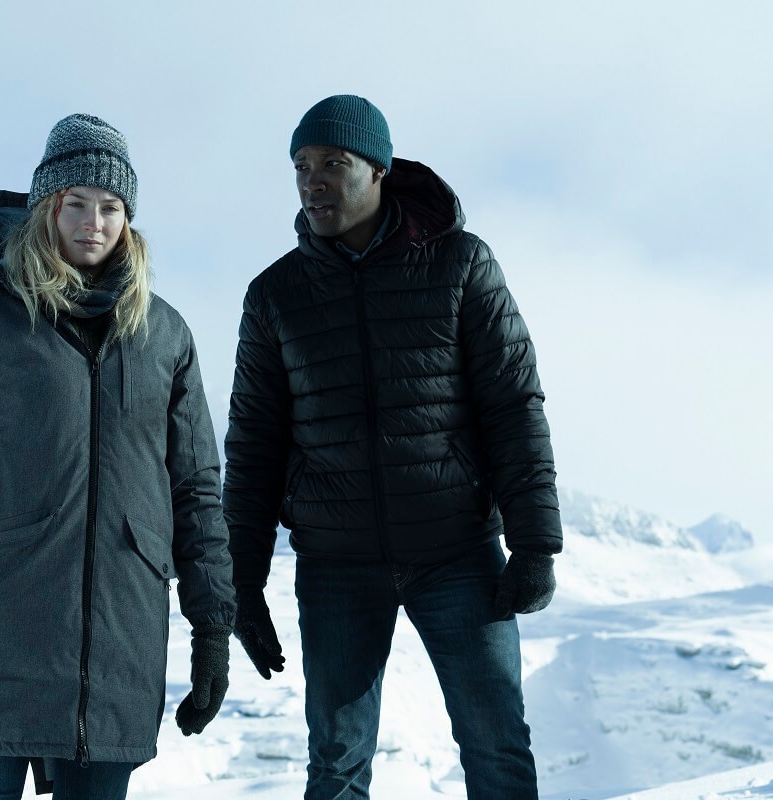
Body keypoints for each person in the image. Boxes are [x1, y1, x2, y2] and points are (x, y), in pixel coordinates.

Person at [0, 113, 236, 800]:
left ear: (128, 219)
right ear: (47, 206)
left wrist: (212, 628)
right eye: (77, 203)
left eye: (110, 207)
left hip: (119, 657)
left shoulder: (165, 334)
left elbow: (195, 491)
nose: (93, 223)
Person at [223, 95, 562, 800]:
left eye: (332, 164)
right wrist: (243, 583)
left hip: (457, 552)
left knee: (497, 745)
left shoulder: (461, 264)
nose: (312, 181)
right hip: (337, 564)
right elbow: (253, 446)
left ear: (377, 169)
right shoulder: (275, 296)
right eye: (301, 166)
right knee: (336, 763)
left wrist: (535, 544)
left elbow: (512, 405)